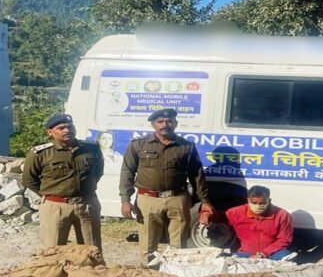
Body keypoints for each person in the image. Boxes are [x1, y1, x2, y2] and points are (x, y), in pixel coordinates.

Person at [119, 108, 214, 265]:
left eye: (169, 121)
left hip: (177, 199)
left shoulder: (186, 146)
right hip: (148, 199)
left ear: (175, 123)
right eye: (160, 122)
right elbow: (127, 172)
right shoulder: (138, 145)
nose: (165, 125)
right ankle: (149, 274)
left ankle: (175, 273)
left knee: (179, 245)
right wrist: (125, 200)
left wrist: (205, 201)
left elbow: (197, 175)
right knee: (148, 246)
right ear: (153, 124)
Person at [22, 113, 104, 251]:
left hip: (87, 204)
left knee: (91, 251)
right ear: (50, 132)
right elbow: (29, 180)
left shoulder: (91, 149)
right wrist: (51, 194)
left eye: (70, 127)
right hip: (56, 206)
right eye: (61, 128)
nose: (67, 130)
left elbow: (98, 173)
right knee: (53, 251)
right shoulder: (41, 153)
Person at [224, 185, 294, 260]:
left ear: (269, 201)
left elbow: (284, 239)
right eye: (254, 203)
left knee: (287, 256)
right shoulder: (234, 213)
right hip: (243, 253)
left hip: (273, 253)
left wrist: (264, 253)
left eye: (262, 203)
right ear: (248, 200)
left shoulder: (282, 215)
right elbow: (221, 226)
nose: (258, 206)